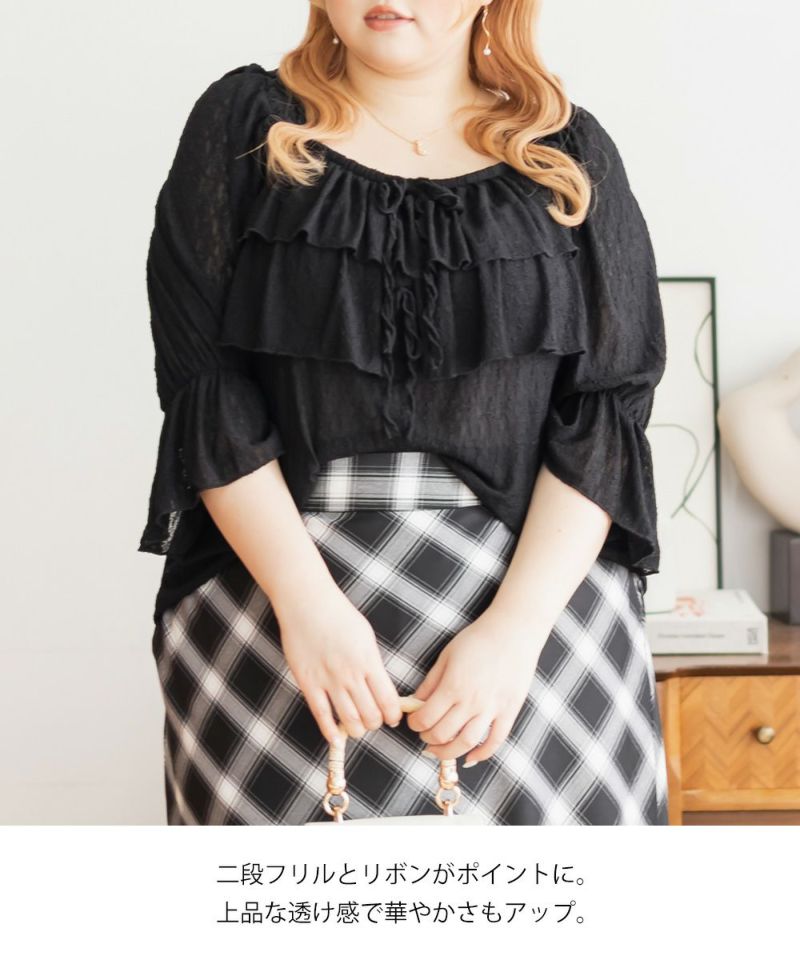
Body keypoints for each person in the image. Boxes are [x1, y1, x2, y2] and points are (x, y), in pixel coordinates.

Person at [139, 0, 670, 825]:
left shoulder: (567, 150)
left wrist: (513, 632)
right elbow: (204, 386)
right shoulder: (245, 124)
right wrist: (308, 609)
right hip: (277, 601)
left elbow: (607, 408)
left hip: (538, 618)